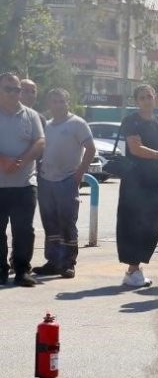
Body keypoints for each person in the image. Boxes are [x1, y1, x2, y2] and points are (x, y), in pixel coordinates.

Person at [33, 88, 94, 279]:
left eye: (61, 101)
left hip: (67, 180)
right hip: (46, 180)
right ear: (49, 104)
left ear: (68, 102)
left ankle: (68, 263)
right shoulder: (47, 125)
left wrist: (79, 174)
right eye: (54, 101)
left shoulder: (77, 123)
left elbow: (91, 149)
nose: (58, 105)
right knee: (50, 223)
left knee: (67, 223)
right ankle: (53, 262)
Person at [117, 85, 158, 288]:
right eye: (142, 97)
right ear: (136, 101)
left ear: (155, 98)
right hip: (135, 179)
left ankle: (136, 269)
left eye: (150, 96)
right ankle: (132, 269)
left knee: (152, 222)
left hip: (154, 178)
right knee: (132, 222)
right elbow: (136, 149)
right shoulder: (132, 121)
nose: (147, 100)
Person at [0, 72, 44, 287]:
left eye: (16, 89)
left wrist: (21, 160)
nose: (14, 93)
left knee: (24, 230)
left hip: (25, 184)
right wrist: (3, 161)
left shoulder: (31, 115)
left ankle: (21, 270)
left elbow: (40, 141)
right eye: (8, 89)